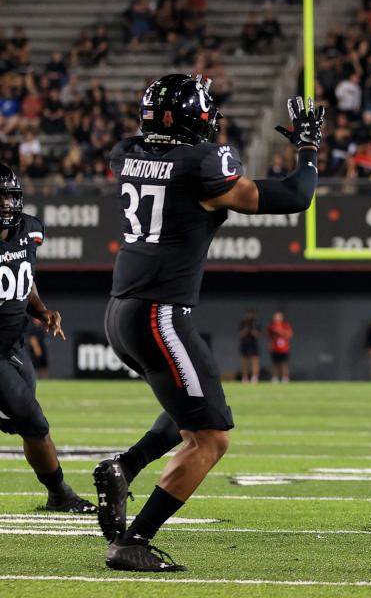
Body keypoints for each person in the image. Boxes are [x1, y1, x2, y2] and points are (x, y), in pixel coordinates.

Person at [93, 74, 322, 572]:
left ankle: (125, 466)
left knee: (194, 410)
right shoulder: (201, 164)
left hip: (122, 312)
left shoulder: (127, 152)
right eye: (204, 109)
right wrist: (307, 149)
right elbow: (295, 196)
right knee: (212, 436)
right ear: (183, 118)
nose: (211, 116)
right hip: (161, 315)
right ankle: (134, 540)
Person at [0, 164, 95, 515]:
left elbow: (24, 275)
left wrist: (40, 310)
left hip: (14, 344)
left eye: (10, 196)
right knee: (35, 423)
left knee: (31, 428)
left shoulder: (29, 230)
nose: (7, 204)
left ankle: (56, 495)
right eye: (0, 197)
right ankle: (61, 493)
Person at [267, 310, 293, 383]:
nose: (277, 318)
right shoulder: (271, 326)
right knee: (275, 364)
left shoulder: (285, 325)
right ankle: (275, 378)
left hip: (284, 348)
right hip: (275, 348)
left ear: (282, 317)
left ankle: (285, 378)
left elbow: (289, 335)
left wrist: (280, 331)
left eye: (278, 317)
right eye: (276, 317)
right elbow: (268, 336)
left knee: (284, 364)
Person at [237, 309, 260, 383]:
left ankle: (254, 377)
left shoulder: (256, 323)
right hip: (245, 343)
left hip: (253, 344)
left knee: (255, 360)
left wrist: (252, 331)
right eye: (249, 314)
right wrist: (246, 330)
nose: (250, 315)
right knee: (244, 361)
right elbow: (240, 334)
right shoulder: (243, 323)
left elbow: (258, 335)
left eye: (252, 314)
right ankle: (245, 377)